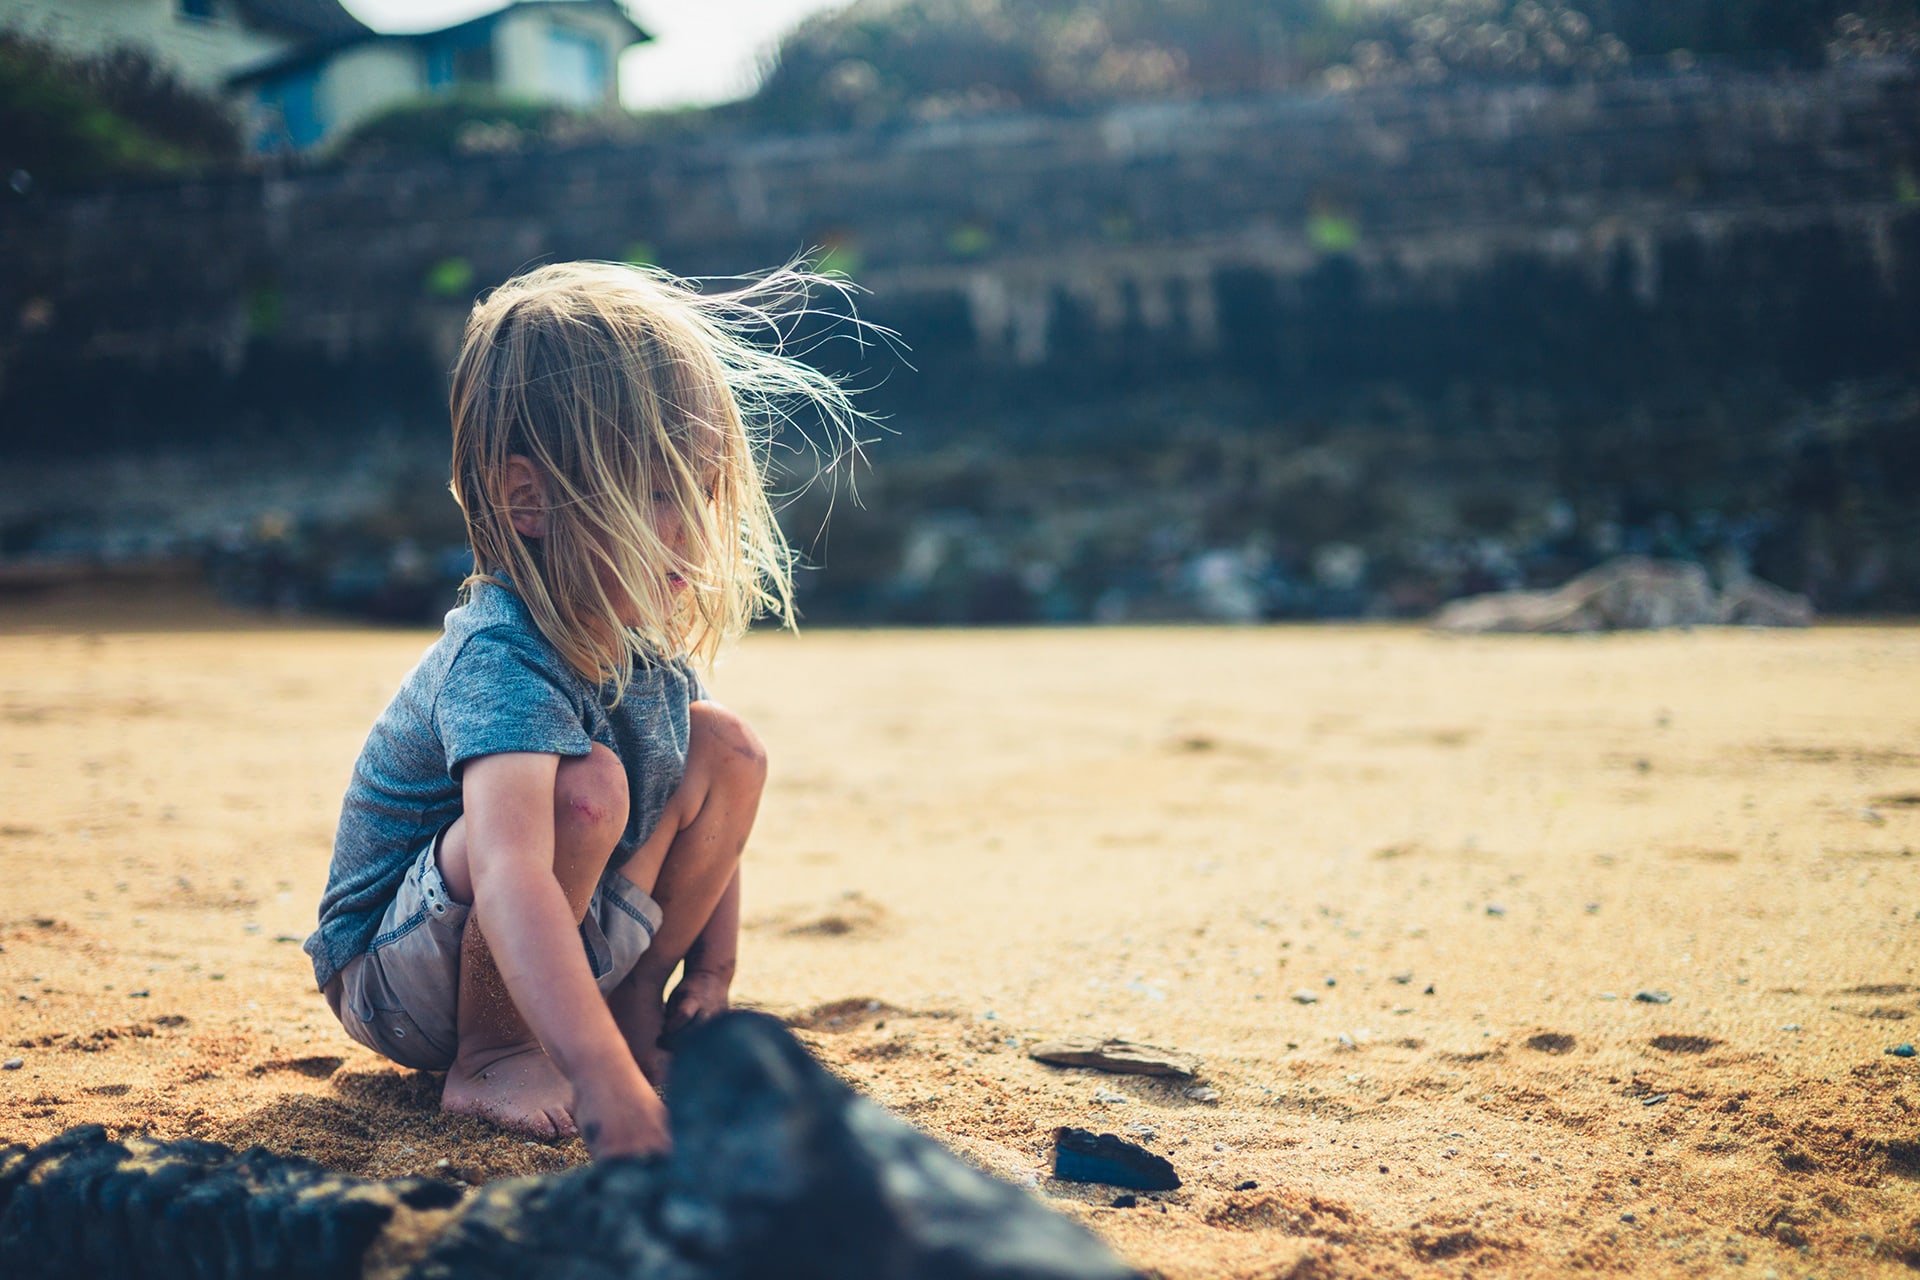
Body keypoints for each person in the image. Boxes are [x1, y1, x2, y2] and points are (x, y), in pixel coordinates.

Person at [304, 261, 868, 1158]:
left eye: (701, 489)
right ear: (527, 498)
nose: (687, 527)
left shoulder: (642, 647)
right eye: (652, 492)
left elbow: (705, 828)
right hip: (398, 975)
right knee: (588, 789)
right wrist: (602, 1083)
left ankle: (630, 1009)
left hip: (555, 946)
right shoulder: (502, 653)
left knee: (727, 748)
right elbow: (513, 874)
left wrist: (711, 971)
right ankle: (494, 1055)